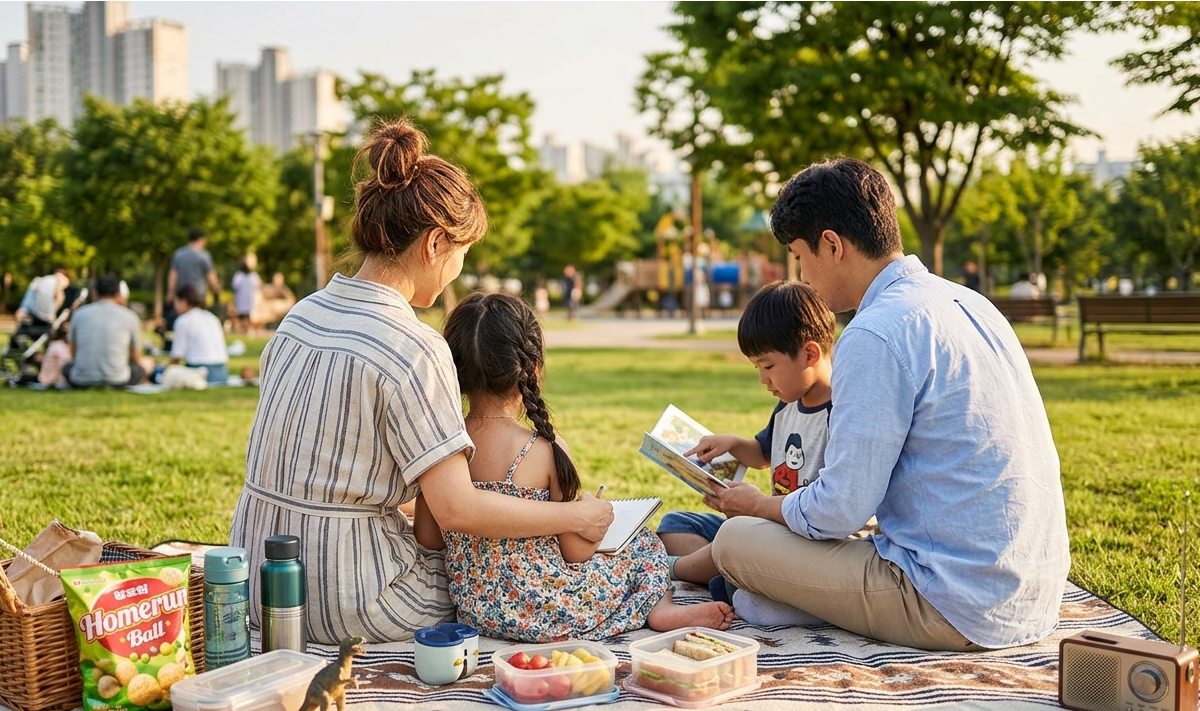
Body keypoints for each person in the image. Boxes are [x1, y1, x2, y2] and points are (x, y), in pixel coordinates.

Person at [228, 118, 614, 645]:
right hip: (350, 600)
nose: (460, 268)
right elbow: (457, 509)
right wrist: (572, 516)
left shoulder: (302, 315)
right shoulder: (413, 346)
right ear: (435, 244)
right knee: (489, 578)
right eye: (462, 252)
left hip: (260, 585)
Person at [708, 157, 1069, 652]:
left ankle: (769, 598)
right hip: (1034, 593)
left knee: (733, 542)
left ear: (832, 245)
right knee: (764, 560)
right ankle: (773, 597)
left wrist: (758, 506)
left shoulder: (875, 332)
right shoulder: (970, 303)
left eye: (799, 257)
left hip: (952, 600)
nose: (802, 276)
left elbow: (838, 511)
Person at [423, 292, 733, 642]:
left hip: (478, 610)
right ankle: (660, 608)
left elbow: (429, 537)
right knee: (643, 543)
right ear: (533, 366)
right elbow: (576, 552)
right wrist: (591, 516)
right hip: (551, 609)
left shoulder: (444, 448)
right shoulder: (543, 448)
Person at [657, 281, 834, 591]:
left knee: (733, 540)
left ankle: (676, 570)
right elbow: (763, 454)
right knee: (676, 524)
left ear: (809, 354)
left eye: (768, 366)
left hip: (804, 542)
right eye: (756, 367)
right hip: (768, 525)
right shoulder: (788, 405)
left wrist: (756, 505)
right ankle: (726, 576)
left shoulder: (841, 415)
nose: (763, 379)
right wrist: (733, 444)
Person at [64, 275, 152, 388]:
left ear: (94, 292)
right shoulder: (130, 316)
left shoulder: (79, 314)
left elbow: (73, 353)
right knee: (141, 368)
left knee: (66, 367)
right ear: (118, 294)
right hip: (118, 380)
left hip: (81, 380)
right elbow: (136, 358)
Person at [170, 285, 229, 385]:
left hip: (198, 371)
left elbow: (176, 357)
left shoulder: (183, 321)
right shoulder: (211, 317)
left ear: (184, 302)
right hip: (222, 372)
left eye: (176, 302)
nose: (174, 306)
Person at [168, 229, 221, 306]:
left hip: (181, 297)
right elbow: (210, 276)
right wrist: (215, 289)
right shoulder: (204, 256)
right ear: (201, 239)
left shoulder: (178, 254)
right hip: (198, 296)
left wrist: (171, 291)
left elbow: (173, 274)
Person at [231, 256, 262, 333]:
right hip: (242, 301)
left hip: (249, 302)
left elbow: (259, 286)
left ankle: (247, 329)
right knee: (242, 316)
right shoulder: (239, 276)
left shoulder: (252, 276)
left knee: (248, 316)